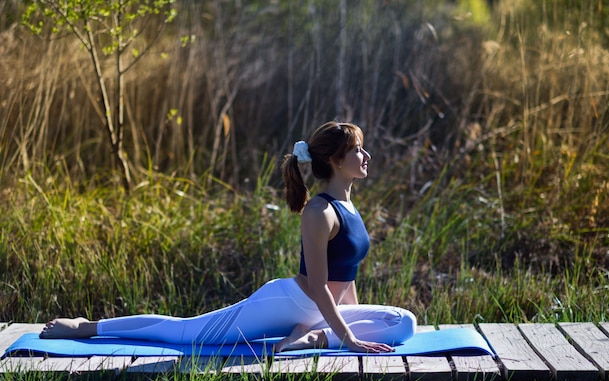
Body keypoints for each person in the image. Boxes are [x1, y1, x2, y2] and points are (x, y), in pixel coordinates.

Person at [40, 121, 417, 353]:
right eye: (357, 150)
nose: (366, 155)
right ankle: (86, 326)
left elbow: (345, 279)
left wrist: (346, 323)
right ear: (336, 160)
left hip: (321, 316)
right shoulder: (320, 212)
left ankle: (311, 338)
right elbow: (319, 287)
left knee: (404, 323)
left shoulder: (350, 207)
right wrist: (349, 338)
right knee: (185, 333)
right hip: (291, 303)